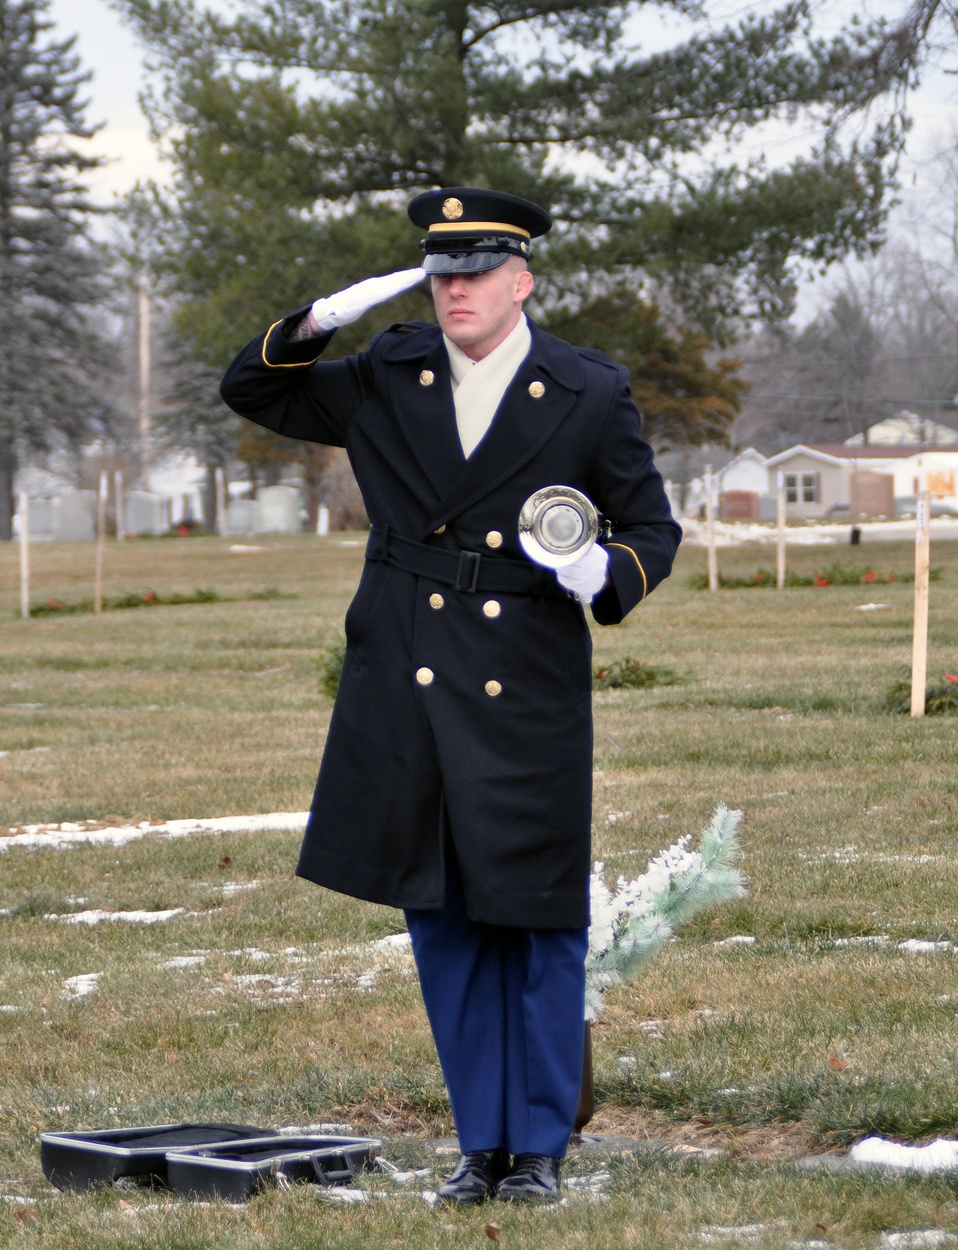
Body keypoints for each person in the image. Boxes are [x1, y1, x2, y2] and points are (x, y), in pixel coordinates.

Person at [220, 187, 682, 1204]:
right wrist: (315, 323)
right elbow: (252, 391)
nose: (454, 290)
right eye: (439, 273)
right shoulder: (389, 370)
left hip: (526, 675)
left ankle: (543, 1147)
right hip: (407, 668)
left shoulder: (586, 388)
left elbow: (653, 528)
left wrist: (600, 571)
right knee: (443, 916)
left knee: (537, 911)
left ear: (522, 280)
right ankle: (482, 1145)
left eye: (474, 272)